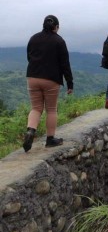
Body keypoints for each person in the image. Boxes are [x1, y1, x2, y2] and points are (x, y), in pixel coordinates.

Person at [23, 15, 74, 152]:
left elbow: (29, 56)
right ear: (56, 27)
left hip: (32, 76)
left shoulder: (33, 38)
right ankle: (50, 139)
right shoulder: (59, 41)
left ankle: (30, 131)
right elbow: (65, 64)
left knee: (36, 108)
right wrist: (70, 82)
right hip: (51, 79)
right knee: (51, 109)